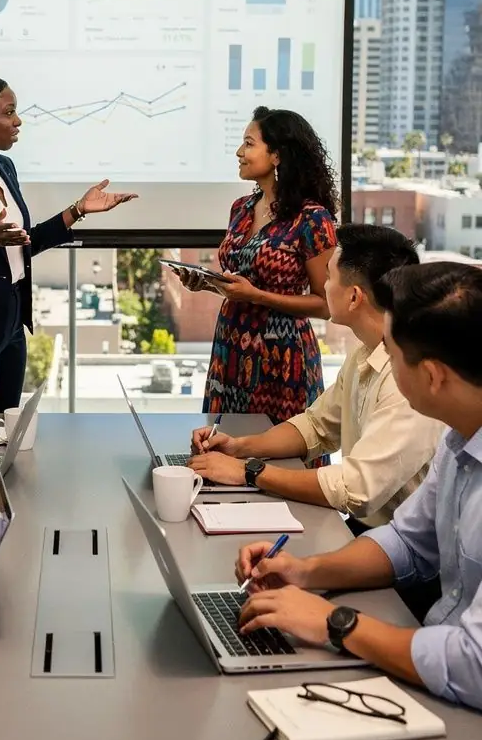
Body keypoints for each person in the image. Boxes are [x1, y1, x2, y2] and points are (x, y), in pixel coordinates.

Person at [235, 262, 482, 712]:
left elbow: (475, 665)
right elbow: (408, 541)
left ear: (432, 376)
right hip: (431, 659)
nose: (383, 357)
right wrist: (306, 571)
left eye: (391, 348)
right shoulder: (459, 438)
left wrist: (335, 622)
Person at [188, 224, 444, 530]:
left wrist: (247, 471)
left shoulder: (406, 380)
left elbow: (354, 489)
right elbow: (316, 426)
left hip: (403, 550)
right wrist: (240, 446)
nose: (322, 286)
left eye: (330, 277)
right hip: (371, 533)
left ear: (353, 297)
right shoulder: (365, 353)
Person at [0, 70, 137, 412]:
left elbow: (23, 243)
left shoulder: (4, 167)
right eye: (8, 112)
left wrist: (79, 209)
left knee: (6, 434)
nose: (18, 121)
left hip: (9, 329)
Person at [174, 106, 337, 424]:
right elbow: (241, 282)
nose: (239, 152)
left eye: (249, 143)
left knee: (279, 457)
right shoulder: (242, 208)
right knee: (223, 449)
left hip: (282, 357)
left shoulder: (313, 219)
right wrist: (206, 282)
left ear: (277, 155)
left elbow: (326, 304)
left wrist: (257, 297)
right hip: (230, 346)